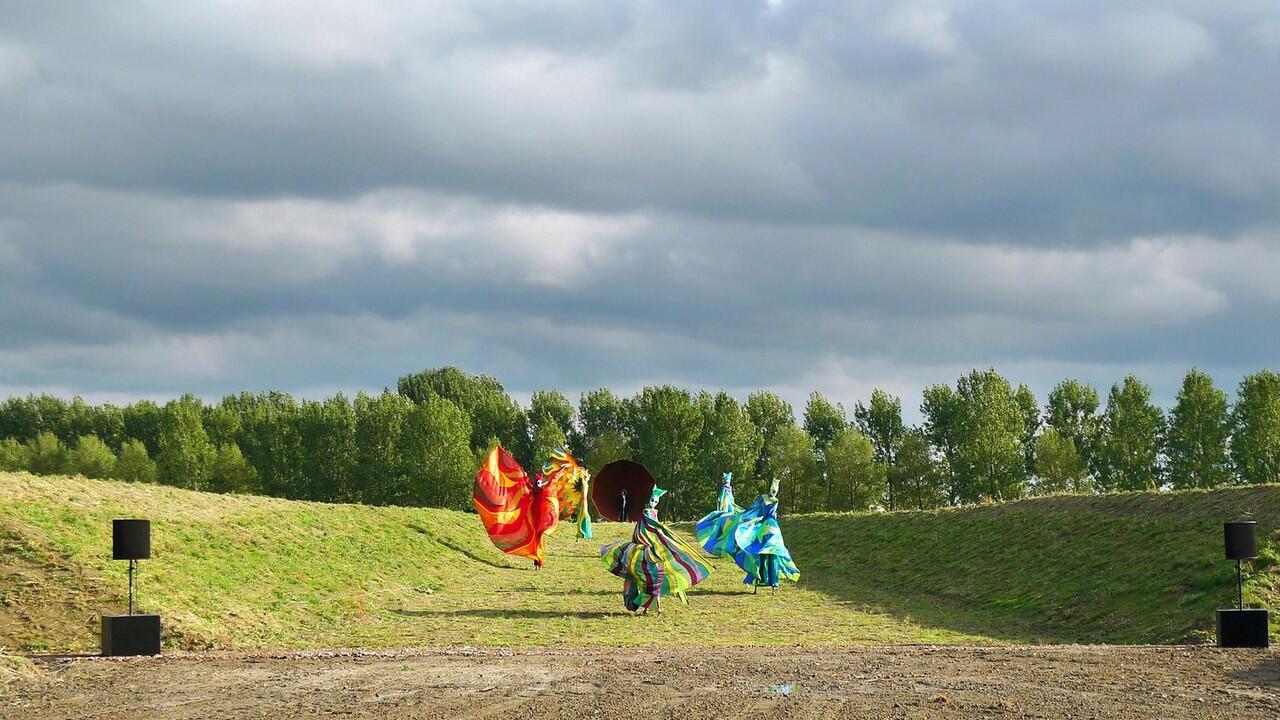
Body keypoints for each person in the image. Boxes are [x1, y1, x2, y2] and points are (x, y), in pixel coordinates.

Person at [601, 487, 713, 613]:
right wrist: (661, 532)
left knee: (656, 579)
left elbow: (655, 531)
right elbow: (646, 531)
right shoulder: (646, 514)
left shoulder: (652, 513)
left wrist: (662, 534)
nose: (654, 503)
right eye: (653, 500)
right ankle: (648, 605)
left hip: (653, 553)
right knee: (650, 580)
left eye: (656, 501)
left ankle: (652, 607)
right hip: (646, 553)